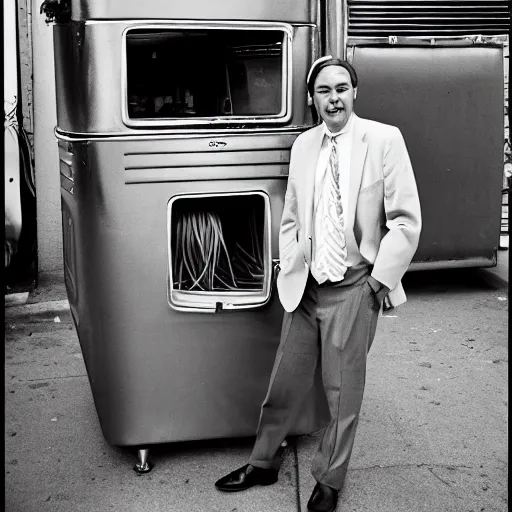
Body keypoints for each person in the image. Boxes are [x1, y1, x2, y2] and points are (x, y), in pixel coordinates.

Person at [214, 56, 422, 512]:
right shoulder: (305, 145)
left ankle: (330, 479)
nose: (335, 98)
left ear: (355, 93)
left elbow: (406, 222)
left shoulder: (384, 140)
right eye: (324, 90)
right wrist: (290, 263)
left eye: (342, 88)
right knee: (283, 383)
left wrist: (378, 284)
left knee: (342, 393)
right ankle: (263, 462)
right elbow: (291, 215)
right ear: (312, 98)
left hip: (355, 288)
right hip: (307, 288)